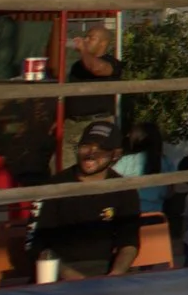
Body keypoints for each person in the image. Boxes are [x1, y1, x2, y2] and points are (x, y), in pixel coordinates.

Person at [30, 118, 139, 280]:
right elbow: (37, 245)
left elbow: (129, 241)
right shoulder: (53, 186)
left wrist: (116, 275)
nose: (91, 154)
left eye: (101, 149)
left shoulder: (124, 189)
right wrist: (76, 279)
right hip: (58, 275)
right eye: (85, 146)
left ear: (116, 155)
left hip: (106, 274)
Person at [60, 21, 122, 163]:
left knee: (92, 164)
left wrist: (83, 49)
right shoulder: (78, 65)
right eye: (85, 37)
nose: (86, 40)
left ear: (103, 43)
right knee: (64, 166)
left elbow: (97, 69)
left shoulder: (112, 63)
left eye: (91, 38)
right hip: (72, 124)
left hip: (96, 123)